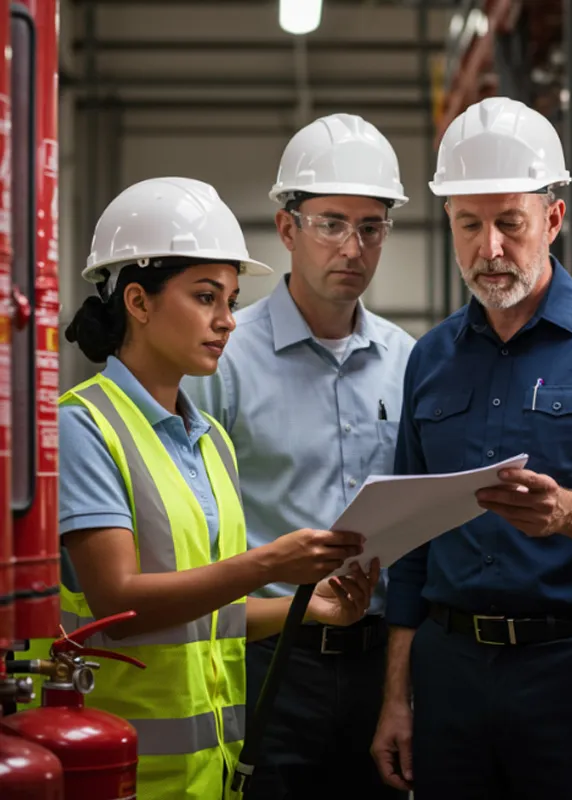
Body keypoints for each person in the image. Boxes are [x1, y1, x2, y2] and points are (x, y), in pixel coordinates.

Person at [370, 97, 572, 799]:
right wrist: (397, 697)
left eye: (510, 223)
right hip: (451, 676)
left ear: (552, 220)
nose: (490, 249)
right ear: (449, 221)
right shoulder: (430, 358)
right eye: (469, 225)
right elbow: (409, 544)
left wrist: (569, 514)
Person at [55, 176, 379, 799]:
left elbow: (210, 619)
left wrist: (308, 607)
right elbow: (117, 604)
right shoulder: (84, 427)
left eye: (230, 300)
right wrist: (270, 564)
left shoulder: (211, 442)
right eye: (206, 297)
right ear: (138, 302)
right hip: (127, 775)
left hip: (214, 776)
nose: (227, 321)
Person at [183, 114, 415, 798]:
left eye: (371, 227)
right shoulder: (223, 361)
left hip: (377, 661)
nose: (353, 247)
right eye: (331, 224)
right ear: (287, 230)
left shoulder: (408, 361)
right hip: (268, 657)